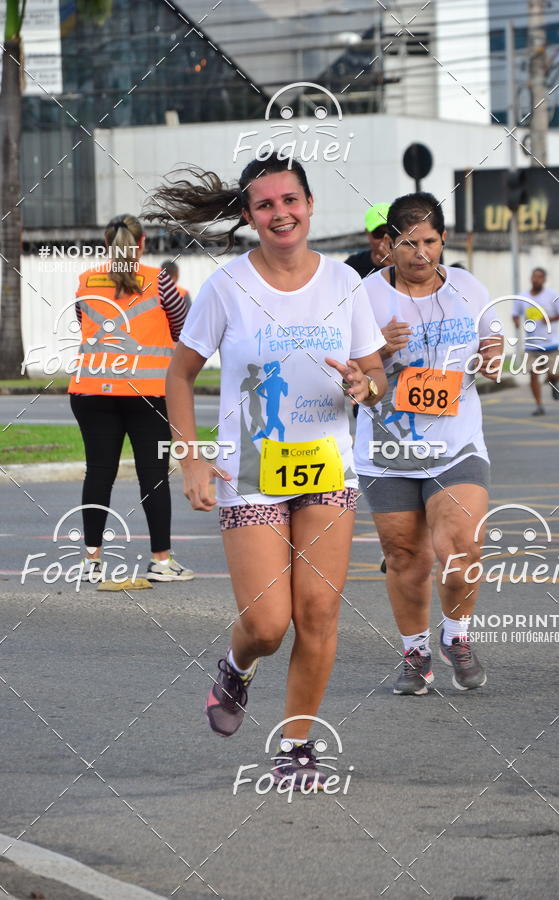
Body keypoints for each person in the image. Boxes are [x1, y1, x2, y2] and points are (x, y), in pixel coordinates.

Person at [149, 154, 386, 788]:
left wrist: (366, 384)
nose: (280, 213)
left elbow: (375, 376)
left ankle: (296, 746)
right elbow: (179, 374)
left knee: (319, 614)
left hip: (328, 470)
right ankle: (236, 663)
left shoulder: (344, 282)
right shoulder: (229, 287)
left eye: (290, 201)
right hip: (249, 471)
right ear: (250, 216)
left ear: (309, 206)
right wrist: (191, 456)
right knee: (267, 624)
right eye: (265, 205)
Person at [353, 192, 503, 694]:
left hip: (456, 443)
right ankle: (415, 652)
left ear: (444, 240)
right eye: (409, 243)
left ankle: (456, 635)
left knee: (460, 548)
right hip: (387, 447)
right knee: (405, 558)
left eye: (431, 241)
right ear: (389, 246)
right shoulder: (365, 297)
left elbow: (494, 334)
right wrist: (379, 347)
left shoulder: (467, 286)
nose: (422, 254)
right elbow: (340, 372)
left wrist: (492, 353)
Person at [68, 213, 194, 582]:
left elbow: (84, 324)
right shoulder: (161, 282)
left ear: (108, 245)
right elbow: (183, 330)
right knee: (153, 476)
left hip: (91, 392)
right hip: (148, 393)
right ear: (142, 245)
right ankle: (161, 561)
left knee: (99, 474)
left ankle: (91, 562)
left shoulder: (85, 282)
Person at [512, 267, 559, 415]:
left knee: (553, 373)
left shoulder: (551, 295)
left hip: (551, 344)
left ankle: (554, 382)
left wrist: (550, 319)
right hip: (532, 345)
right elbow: (515, 313)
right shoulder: (522, 296)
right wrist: (516, 321)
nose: (536, 279)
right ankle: (539, 405)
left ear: (544, 280)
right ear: (531, 278)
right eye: (534, 276)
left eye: (539, 277)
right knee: (533, 374)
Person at [345, 202, 391, 279]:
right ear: (367, 233)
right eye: (379, 233)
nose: (386, 239)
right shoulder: (353, 266)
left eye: (391, 232)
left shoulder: (410, 264)